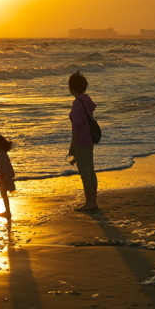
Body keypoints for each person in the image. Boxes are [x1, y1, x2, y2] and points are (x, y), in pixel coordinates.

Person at [67, 70, 98, 210]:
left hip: (81, 141)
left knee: (85, 173)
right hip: (89, 139)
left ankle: (90, 203)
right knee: (90, 171)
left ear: (71, 87)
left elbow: (76, 126)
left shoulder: (78, 103)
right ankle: (93, 201)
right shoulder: (86, 100)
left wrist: (72, 145)